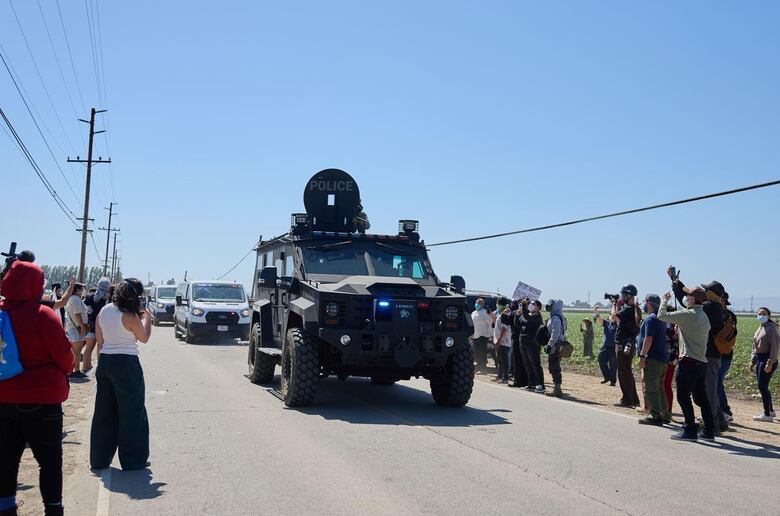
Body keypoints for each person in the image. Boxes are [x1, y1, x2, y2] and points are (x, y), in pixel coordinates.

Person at [0, 260, 74, 515]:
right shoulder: (42, 315)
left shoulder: (1, 314)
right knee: (50, 462)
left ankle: (6, 507)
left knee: (6, 461)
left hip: (3, 399)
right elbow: (66, 359)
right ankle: (53, 510)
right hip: (42, 401)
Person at [90, 278, 153, 471]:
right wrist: (147, 318)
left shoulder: (104, 310)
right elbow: (144, 338)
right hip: (126, 363)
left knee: (104, 412)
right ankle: (132, 459)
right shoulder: (131, 316)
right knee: (132, 412)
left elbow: (100, 342)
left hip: (106, 361)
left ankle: (99, 459)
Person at [671, 274, 728, 433]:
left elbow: (686, 296)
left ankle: (714, 426)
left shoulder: (709, 306)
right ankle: (719, 422)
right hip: (710, 355)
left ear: (712, 294)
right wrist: (676, 282)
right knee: (706, 392)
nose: (704, 290)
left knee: (707, 392)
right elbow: (688, 296)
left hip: (706, 355)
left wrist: (676, 283)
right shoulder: (716, 307)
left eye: (707, 289)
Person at [658, 287, 715, 441]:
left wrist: (664, 300)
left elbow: (662, 315)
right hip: (701, 362)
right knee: (701, 398)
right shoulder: (703, 316)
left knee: (683, 397)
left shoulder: (689, 314)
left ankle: (690, 429)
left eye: (688, 295)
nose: (685, 296)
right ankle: (709, 430)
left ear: (692, 299)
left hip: (688, 362)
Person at [637, 294, 670, 425]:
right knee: (659, 387)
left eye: (645, 302)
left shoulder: (651, 319)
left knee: (650, 387)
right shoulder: (661, 318)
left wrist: (643, 356)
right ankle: (664, 413)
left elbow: (648, 339)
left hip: (653, 359)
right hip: (662, 358)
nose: (644, 305)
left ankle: (655, 415)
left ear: (649, 304)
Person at [610, 285, 641, 407]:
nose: (622, 297)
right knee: (627, 371)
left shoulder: (628, 308)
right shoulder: (632, 308)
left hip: (623, 344)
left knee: (623, 372)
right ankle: (634, 399)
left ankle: (627, 399)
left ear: (628, 295)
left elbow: (613, 318)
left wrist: (614, 305)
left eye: (623, 295)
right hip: (629, 343)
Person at [750, 308, 778, 422]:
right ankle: (770, 410)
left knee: (762, 386)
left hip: (767, 359)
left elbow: (775, 348)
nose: (761, 315)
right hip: (760, 359)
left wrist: (769, 363)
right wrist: (752, 362)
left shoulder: (772, 329)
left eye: (764, 314)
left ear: (769, 316)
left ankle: (767, 414)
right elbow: (755, 347)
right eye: (759, 314)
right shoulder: (760, 328)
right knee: (763, 386)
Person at [82, 278, 112, 372]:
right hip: (102, 326)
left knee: (88, 348)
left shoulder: (90, 297)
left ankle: (85, 366)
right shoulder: (108, 299)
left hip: (90, 325)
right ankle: (100, 367)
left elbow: (84, 309)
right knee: (100, 347)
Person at [516, 299, 545, 393]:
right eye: (531, 304)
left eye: (534, 304)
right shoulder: (526, 314)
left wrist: (524, 306)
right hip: (523, 341)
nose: (531, 305)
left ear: (538, 308)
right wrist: (517, 315)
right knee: (527, 363)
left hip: (532, 343)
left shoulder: (537, 317)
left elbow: (528, 318)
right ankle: (530, 383)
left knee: (535, 364)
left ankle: (540, 384)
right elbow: (518, 324)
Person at [717, 293, 737, 423]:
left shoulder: (726, 316)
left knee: (716, 384)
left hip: (723, 356)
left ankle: (723, 411)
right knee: (718, 384)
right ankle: (723, 410)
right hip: (723, 355)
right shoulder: (729, 315)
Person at [64, 283, 88, 378]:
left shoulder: (72, 299)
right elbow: (78, 314)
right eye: (81, 289)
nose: (82, 291)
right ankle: (76, 370)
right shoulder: (76, 299)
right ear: (77, 290)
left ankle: (74, 369)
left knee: (75, 351)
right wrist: (82, 326)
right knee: (77, 351)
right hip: (76, 327)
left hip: (73, 327)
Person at [544, 299, 566, 398]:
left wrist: (549, 345)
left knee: (554, 367)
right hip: (557, 345)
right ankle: (556, 388)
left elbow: (555, 334)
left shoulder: (556, 319)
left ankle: (557, 389)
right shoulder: (558, 317)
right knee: (553, 366)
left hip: (555, 346)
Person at [594, 306, 617, 385]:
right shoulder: (607, 323)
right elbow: (599, 321)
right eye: (610, 315)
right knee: (601, 360)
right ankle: (607, 377)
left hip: (614, 347)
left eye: (612, 315)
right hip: (605, 346)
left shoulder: (618, 325)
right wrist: (596, 312)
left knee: (613, 365)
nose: (610, 316)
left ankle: (613, 381)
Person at [509, 301, 528, 388]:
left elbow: (517, 324)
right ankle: (522, 381)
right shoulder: (518, 313)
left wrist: (517, 314)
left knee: (519, 361)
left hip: (519, 339)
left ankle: (520, 381)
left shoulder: (528, 315)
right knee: (520, 361)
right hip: (520, 339)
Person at [470, 298, 492, 372]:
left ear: (482, 304)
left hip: (483, 335)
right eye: (476, 302)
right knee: (476, 352)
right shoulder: (473, 313)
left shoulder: (485, 313)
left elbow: (490, 324)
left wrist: (490, 334)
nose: (477, 304)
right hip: (475, 335)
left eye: (479, 303)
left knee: (482, 352)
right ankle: (478, 366)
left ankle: (483, 367)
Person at [493, 307, 512, 383]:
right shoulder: (501, 316)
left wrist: (499, 341)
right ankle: (499, 376)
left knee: (504, 361)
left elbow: (504, 329)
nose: (507, 311)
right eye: (506, 310)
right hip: (500, 341)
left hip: (504, 342)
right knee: (500, 360)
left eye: (508, 310)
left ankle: (505, 378)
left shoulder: (505, 318)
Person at [664, 322, 680, 412]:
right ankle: (667, 409)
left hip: (669, 359)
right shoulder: (675, 328)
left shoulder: (673, 329)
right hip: (671, 359)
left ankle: (667, 409)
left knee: (666, 384)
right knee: (666, 384)